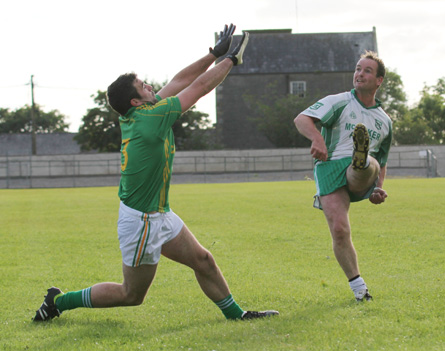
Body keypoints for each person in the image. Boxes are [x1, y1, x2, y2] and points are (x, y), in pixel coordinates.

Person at [34, 24, 278, 322]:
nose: (151, 86)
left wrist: (213, 54)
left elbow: (180, 80)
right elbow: (198, 88)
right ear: (137, 101)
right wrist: (231, 60)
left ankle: (237, 316)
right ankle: (58, 302)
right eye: (144, 86)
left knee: (203, 260)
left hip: (158, 213)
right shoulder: (151, 117)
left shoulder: (140, 112)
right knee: (131, 295)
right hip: (141, 221)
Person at [293, 50, 392, 301]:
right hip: (328, 167)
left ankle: (361, 161)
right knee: (339, 229)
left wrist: (379, 187)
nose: (360, 73)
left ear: (379, 80)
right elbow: (301, 119)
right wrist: (317, 138)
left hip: (363, 171)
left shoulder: (385, 121)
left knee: (366, 163)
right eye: (358, 69)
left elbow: (383, 159)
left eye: (367, 70)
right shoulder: (338, 101)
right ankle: (359, 290)